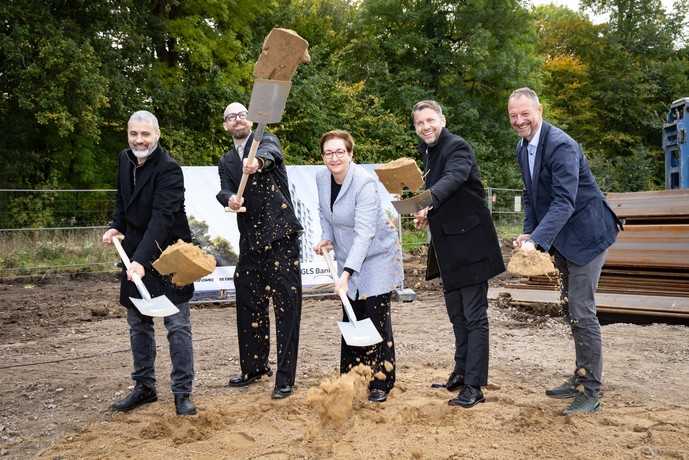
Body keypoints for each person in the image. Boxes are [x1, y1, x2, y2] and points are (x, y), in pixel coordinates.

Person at [507, 87, 621, 415]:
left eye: (525, 113)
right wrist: (530, 231)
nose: (519, 120)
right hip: (563, 237)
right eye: (513, 115)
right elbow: (531, 196)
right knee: (570, 306)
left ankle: (591, 391)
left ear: (539, 110)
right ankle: (580, 374)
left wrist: (537, 242)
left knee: (582, 311)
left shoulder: (561, 145)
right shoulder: (522, 147)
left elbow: (564, 201)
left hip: (587, 236)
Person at [102, 110, 196, 416]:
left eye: (145, 134)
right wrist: (117, 225)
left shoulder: (169, 170)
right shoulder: (124, 159)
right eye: (133, 134)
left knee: (176, 325)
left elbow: (161, 220)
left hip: (168, 255)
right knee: (138, 324)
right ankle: (144, 387)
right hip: (133, 252)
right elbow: (122, 199)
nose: (139, 140)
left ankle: (182, 392)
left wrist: (142, 261)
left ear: (157, 135)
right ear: (127, 135)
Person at [412, 100, 505, 408]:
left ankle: (475, 386)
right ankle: (461, 373)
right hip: (448, 247)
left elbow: (453, 178)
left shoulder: (458, 147)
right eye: (419, 123)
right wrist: (427, 210)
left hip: (472, 246)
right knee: (457, 315)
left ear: (443, 119)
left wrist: (428, 200)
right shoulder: (428, 152)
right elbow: (441, 193)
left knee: (475, 317)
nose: (425, 126)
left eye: (430, 120)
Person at [215, 102, 303, 399]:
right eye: (230, 117)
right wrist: (230, 200)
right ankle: (254, 367)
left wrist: (258, 163)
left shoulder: (265, 141)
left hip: (280, 236)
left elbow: (271, 155)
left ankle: (285, 378)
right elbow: (224, 188)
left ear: (251, 120)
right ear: (225, 125)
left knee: (286, 306)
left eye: (241, 114)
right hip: (250, 241)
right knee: (249, 300)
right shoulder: (226, 160)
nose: (237, 119)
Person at [313, 130, 403, 403]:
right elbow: (324, 213)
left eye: (340, 151)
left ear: (351, 154)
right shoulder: (321, 178)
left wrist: (347, 274)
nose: (334, 157)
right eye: (329, 152)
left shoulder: (364, 182)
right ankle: (351, 375)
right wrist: (326, 237)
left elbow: (365, 233)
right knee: (351, 313)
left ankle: (381, 379)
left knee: (375, 314)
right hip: (347, 253)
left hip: (376, 254)